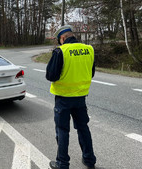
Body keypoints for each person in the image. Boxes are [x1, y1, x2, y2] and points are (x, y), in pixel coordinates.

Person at [46, 25, 97, 169]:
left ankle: (62, 163)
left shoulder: (60, 51)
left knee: (62, 130)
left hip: (63, 98)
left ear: (62, 38)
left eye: (59, 40)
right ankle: (89, 160)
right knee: (83, 128)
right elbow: (91, 72)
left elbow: (51, 76)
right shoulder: (89, 49)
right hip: (81, 97)